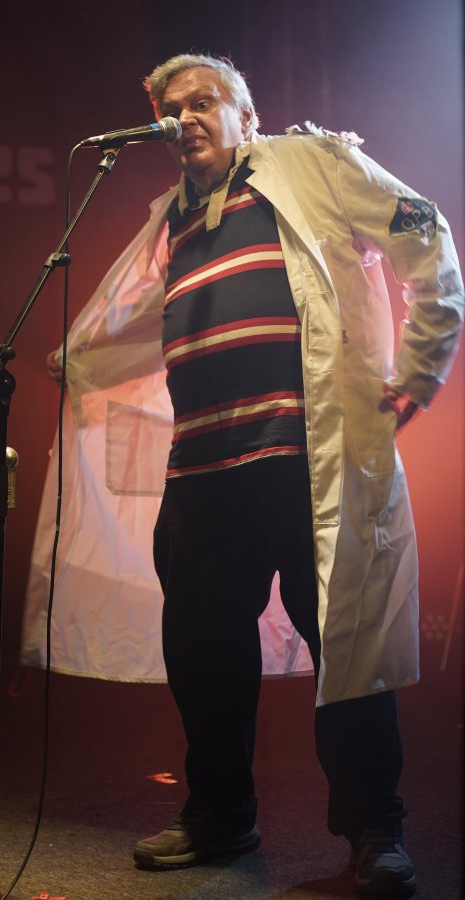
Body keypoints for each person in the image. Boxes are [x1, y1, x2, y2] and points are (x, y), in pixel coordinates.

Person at [39, 52, 463, 896]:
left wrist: (420, 370)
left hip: (305, 459)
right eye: (173, 108)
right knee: (203, 657)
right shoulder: (173, 219)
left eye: (204, 102)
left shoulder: (307, 165)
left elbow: (423, 230)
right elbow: (144, 325)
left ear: (247, 116)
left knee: (346, 648)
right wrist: (78, 359)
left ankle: (375, 828)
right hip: (202, 469)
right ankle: (221, 814)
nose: (186, 117)